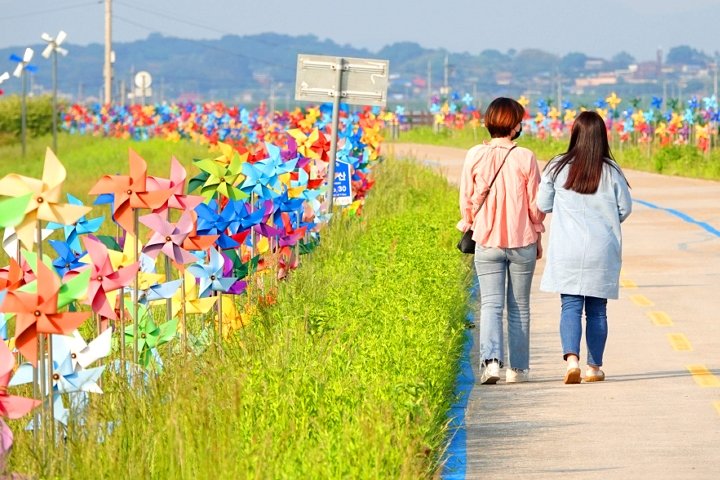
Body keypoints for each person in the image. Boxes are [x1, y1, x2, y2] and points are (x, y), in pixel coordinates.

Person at [537, 111, 632, 384]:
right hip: (601, 249)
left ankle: (571, 361)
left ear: (574, 134)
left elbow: (543, 204)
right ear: (602, 136)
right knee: (597, 309)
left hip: (568, 248)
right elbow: (624, 209)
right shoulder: (612, 170)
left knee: (570, 305)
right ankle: (593, 367)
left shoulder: (556, 166)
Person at [458, 97, 545, 384]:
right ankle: (517, 369)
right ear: (513, 124)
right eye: (520, 119)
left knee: (491, 304)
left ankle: (491, 363)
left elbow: (466, 201)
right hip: (522, 240)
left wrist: (470, 221)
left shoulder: (474, 155)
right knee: (519, 306)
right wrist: (537, 229)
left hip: (486, 239)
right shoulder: (525, 157)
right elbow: (536, 205)